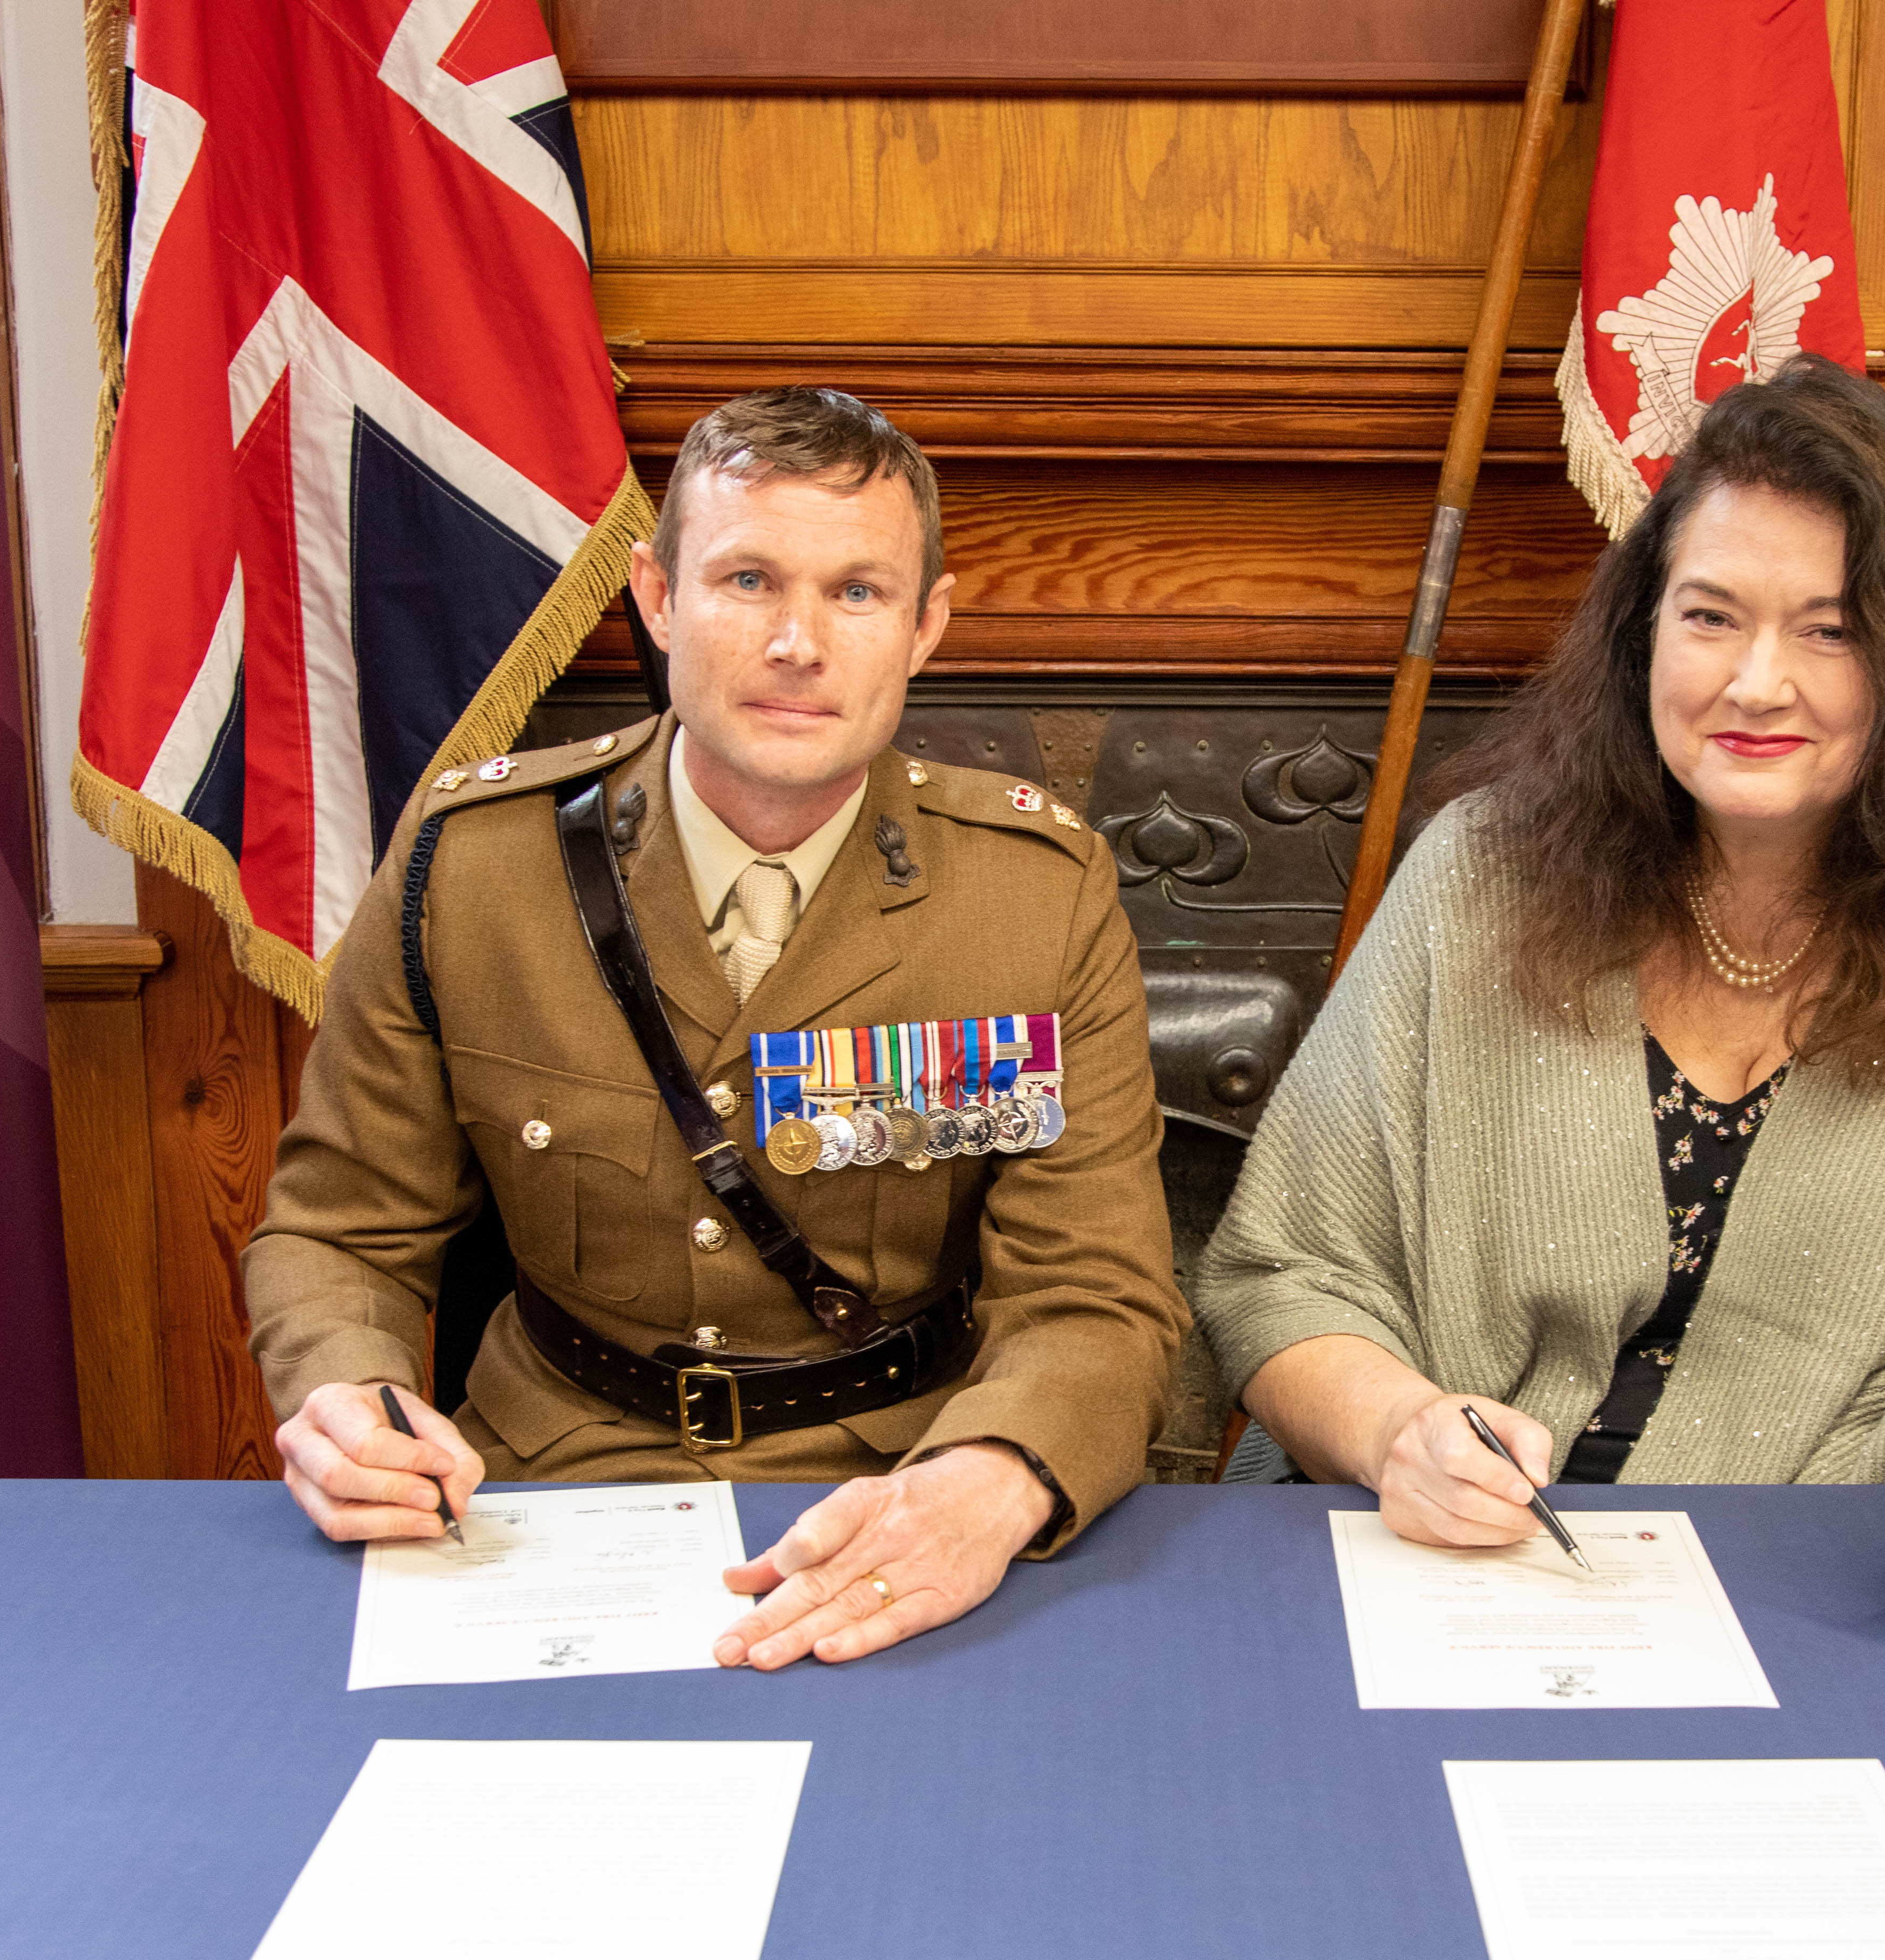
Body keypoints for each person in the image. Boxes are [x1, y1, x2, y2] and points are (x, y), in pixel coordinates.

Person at [1193, 357, 1885, 1606]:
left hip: (1841, 1582)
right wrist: (1395, 1430)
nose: (1754, 682)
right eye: (1710, 615)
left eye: (1829, 629)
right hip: (1449, 1574)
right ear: (1643, 636)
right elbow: (1278, 1274)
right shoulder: (1478, 877)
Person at [246, 388, 1186, 1668]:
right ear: (655, 595)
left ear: (926, 627)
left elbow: (1097, 1293)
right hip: (543, 1481)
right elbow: (338, 1225)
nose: (797, 641)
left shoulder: (1032, 894)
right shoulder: (472, 868)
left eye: (856, 593)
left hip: (900, 1481)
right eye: (746, 580)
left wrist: (994, 1475)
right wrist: (344, 1392)